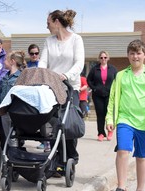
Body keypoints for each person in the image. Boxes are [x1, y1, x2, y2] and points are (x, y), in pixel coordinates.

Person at [106, 39, 145, 191]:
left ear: (144, 55)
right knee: (123, 150)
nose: (135, 56)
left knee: (141, 157)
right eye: (132, 53)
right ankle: (121, 188)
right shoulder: (121, 76)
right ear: (128, 55)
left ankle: (140, 190)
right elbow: (112, 99)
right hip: (125, 120)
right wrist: (110, 118)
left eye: (138, 53)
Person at [39, 9, 85, 165]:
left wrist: (66, 75)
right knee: (52, 122)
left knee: (68, 124)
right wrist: (41, 74)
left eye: (48, 23)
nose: (47, 27)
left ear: (56, 22)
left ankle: (70, 157)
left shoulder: (76, 39)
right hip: (51, 87)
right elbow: (43, 62)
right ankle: (55, 157)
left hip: (70, 86)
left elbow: (79, 63)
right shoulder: (49, 41)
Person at [87, 51, 117, 141]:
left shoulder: (113, 69)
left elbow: (117, 80)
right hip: (97, 95)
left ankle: (110, 131)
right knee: (100, 115)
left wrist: (115, 91)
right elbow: (89, 80)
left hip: (109, 95)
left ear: (108, 58)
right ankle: (101, 133)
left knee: (109, 113)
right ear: (99, 59)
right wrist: (94, 88)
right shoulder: (94, 69)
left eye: (105, 57)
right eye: (101, 57)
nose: (103, 59)